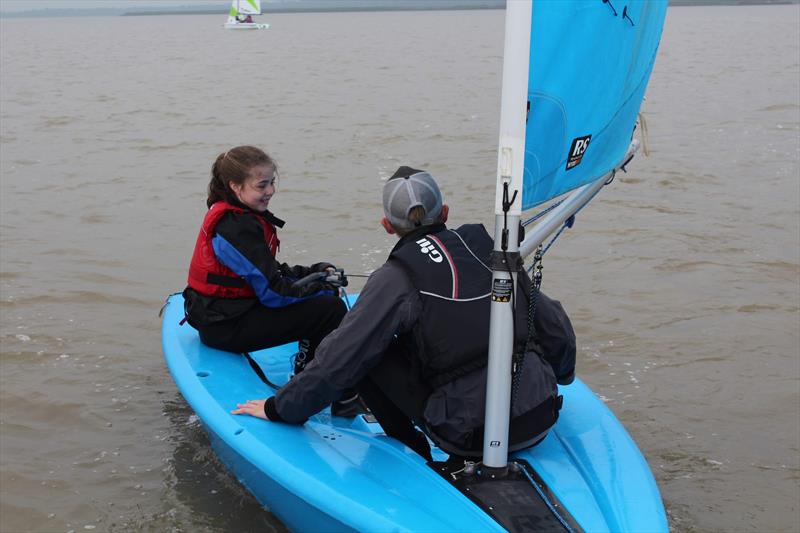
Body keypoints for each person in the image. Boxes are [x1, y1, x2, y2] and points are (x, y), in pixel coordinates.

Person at [232, 166, 576, 461]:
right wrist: (560, 375)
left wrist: (280, 408)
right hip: (542, 415)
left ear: (386, 225)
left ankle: (414, 452)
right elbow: (554, 325)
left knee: (367, 349)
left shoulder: (395, 277)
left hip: (472, 437)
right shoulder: (492, 252)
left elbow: (340, 360)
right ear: (444, 212)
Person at [183, 146, 353, 403]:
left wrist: (315, 273)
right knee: (330, 309)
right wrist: (321, 289)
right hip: (224, 327)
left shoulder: (239, 216)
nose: (270, 191)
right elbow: (273, 293)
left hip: (226, 315)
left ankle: (313, 372)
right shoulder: (235, 227)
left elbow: (268, 272)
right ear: (236, 187)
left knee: (321, 300)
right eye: (262, 185)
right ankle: (311, 386)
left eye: (272, 183)